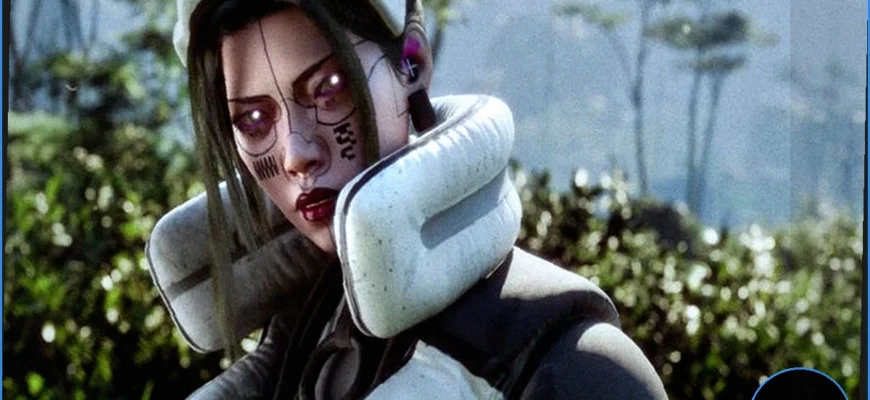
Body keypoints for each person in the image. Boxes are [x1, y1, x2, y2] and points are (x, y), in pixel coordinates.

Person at [146, 0, 669, 398]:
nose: (296, 154)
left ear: (412, 63)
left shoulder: (574, 368)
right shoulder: (301, 342)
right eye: (254, 120)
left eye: (329, 87)